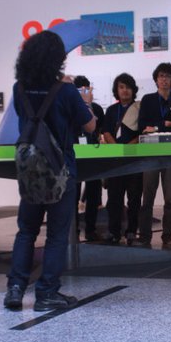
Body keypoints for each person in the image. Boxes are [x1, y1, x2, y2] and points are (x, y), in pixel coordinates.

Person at [4, 30, 96, 312]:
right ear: (57, 59)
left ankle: (15, 288)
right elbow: (90, 125)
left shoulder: (19, 89)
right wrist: (85, 101)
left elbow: (25, 118)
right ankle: (46, 293)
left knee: (26, 231)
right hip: (61, 170)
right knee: (56, 234)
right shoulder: (66, 91)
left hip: (30, 169)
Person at [137, 62, 171, 247]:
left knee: (170, 199)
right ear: (156, 79)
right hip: (151, 152)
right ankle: (144, 235)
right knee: (147, 198)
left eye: (167, 76)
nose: (164, 79)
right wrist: (163, 125)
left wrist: (156, 127)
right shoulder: (148, 100)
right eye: (161, 76)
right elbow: (143, 126)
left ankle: (167, 235)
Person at [103, 73, 143, 244]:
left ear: (133, 89)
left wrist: (127, 148)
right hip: (116, 161)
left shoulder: (139, 109)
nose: (124, 90)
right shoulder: (111, 110)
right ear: (116, 90)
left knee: (134, 199)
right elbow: (106, 131)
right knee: (114, 199)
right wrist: (117, 149)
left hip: (134, 160)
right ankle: (113, 232)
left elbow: (142, 133)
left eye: (127, 87)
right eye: (121, 87)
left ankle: (132, 231)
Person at [72, 75, 105, 242]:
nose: (83, 93)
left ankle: (91, 229)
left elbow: (99, 129)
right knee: (73, 194)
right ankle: (74, 230)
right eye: (80, 90)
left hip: (93, 155)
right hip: (75, 155)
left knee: (93, 194)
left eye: (86, 89)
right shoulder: (70, 109)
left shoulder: (97, 109)